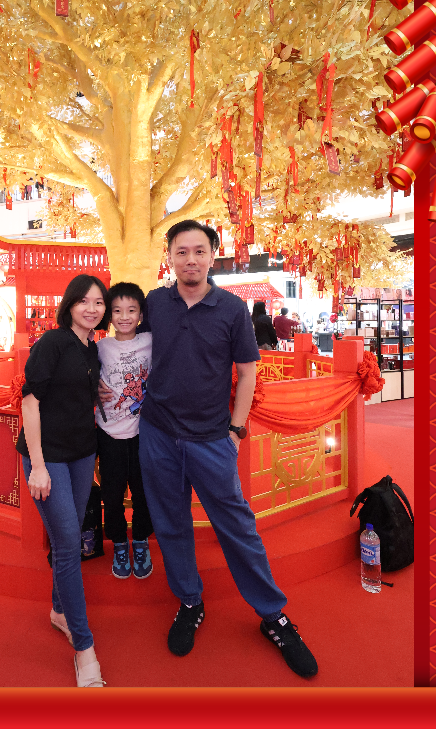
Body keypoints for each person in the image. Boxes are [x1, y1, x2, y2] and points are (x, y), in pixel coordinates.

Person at [130, 220, 318, 678]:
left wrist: (235, 430)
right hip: (158, 433)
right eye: (181, 252)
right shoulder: (156, 303)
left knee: (236, 525)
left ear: (213, 256)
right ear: (169, 257)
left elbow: (248, 372)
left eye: (199, 251)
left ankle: (272, 614)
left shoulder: (232, 309)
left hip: (212, 438)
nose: (190, 260)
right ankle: (189, 601)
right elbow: (125, 341)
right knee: (171, 523)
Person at [15, 274, 109, 688]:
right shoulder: (51, 343)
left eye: (99, 302)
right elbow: (30, 402)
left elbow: (78, 393)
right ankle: (85, 648)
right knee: (70, 543)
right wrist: (37, 465)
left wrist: (100, 392)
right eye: (84, 301)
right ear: (69, 304)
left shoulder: (92, 348)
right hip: (48, 457)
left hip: (82, 454)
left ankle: (59, 611)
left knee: (67, 538)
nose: (92, 308)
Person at [95, 282, 155, 580]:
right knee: (112, 495)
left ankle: (141, 540)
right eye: (117, 311)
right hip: (109, 435)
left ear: (141, 314)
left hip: (144, 435)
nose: (124, 317)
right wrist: (93, 386)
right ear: (109, 314)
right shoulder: (100, 347)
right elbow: (83, 374)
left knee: (145, 493)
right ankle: (120, 543)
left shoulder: (151, 341)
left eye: (131, 310)